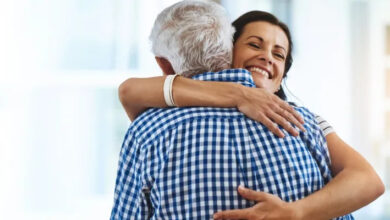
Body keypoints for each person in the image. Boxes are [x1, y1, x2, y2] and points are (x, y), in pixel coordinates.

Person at [112, 1, 384, 219]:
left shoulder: (303, 121)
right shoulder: (304, 128)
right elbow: (129, 90)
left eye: (279, 54)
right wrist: (239, 94)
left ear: (282, 76)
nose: (267, 56)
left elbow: (368, 180)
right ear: (226, 50)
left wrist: (294, 212)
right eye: (255, 44)